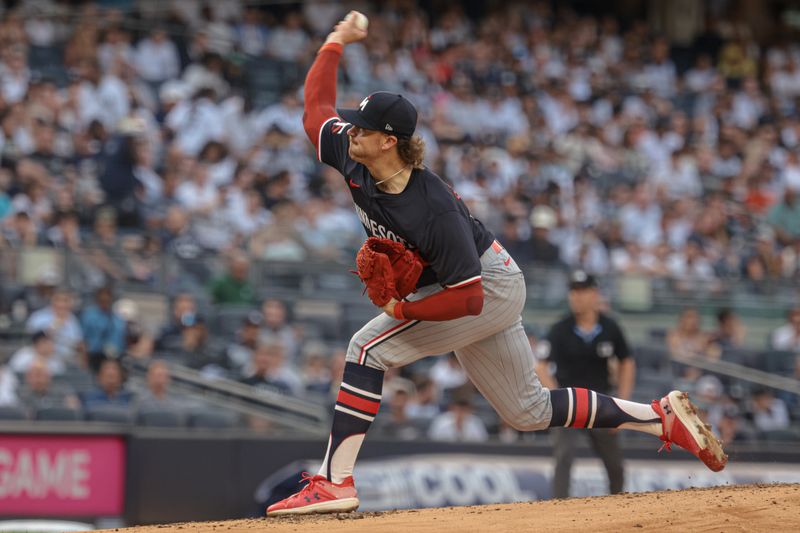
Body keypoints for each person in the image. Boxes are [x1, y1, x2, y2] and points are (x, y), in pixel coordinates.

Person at [265, 13, 727, 516]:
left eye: (365, 126)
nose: (351, 128)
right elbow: (315, 109)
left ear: (389, 141)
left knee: (367, 348)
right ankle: (661, 418)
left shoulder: (433, 208)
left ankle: (336, 481)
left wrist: (401, 311)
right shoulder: (353, 156)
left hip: (486, 286)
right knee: (527, 411)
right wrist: (334, 42)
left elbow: (469, 298)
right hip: (467, 287)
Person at [535, 271, 635, 497]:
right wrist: (555, 398)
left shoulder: (610, 327)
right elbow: (540, 365)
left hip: (601, 402)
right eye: (573, 292)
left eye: (581, 291)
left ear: (594, 294)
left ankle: (618, 507)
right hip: (569, 403)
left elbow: (627, 361)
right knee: (563, 458)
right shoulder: (560, 329)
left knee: (615, 464)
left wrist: (623, 401)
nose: (576, 297)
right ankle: (558, 510)